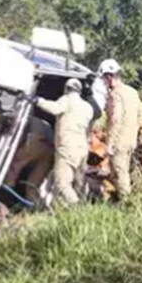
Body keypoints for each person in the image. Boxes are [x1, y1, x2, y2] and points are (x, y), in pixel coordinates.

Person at [34, 78, 93, 206]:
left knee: (62, 182)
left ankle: (76, 208)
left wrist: (38, 100)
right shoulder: (88, 107)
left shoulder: (67, 99)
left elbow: (55, 109)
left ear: (66, 89)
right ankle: (81, 205)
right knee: (79, 182)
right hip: (82, 148)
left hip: (67, 147)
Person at [97, 58, 142, 198]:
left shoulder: (115, 95)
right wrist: (134, 131)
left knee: (120, 173)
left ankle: (125, 201)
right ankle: (136, 195)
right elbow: (141, 113)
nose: (103, 82)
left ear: (109, 77)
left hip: (119, 142)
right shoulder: (132, 92)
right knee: (128, 170)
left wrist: (110, 143)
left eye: (104, 79)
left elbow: (115, 119)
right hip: (131, 140)